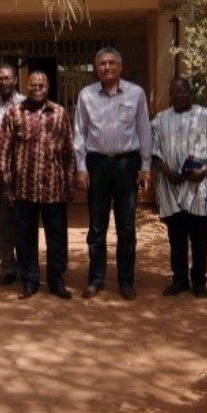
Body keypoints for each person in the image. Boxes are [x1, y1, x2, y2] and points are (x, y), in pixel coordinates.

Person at [74, 47, 152, 300]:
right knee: (97, 226)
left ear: (120, 66)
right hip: (96, 164)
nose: (107, 67)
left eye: (111, 63)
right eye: (102, 64)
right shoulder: (86, 95)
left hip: (126, 164)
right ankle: (96, 279)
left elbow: (144, 130)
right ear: (96, 68)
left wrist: (145, 167)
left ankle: (126, 281)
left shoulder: (136, 94)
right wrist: (81, 168)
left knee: (126, 226)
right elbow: (80, 133)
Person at [0, 71, 75, 300]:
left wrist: (69, 181)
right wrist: (6, 184)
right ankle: (29, 281)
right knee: (25, 239)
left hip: (54, 189)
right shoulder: (14, 113)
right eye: (33, 84)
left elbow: (69, 149)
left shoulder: (60, 113)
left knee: (57, 239)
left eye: (42, 84)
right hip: (23, 189)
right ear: (26, 86)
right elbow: (3, 151)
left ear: (48, 87)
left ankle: (57, 281)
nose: (37, 88)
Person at [150, 77, 207, 299]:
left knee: (199, 240)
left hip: (200, 188)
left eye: (183, 91)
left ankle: (199, 282)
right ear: (170, 96)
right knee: (176, 239)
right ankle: (179, 280)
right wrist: (168, 173)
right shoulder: (159, 121)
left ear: (190, 92)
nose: (179, 96)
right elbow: (153, 152)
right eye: (175, 92)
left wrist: (204, 169)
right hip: (172, 188)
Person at [0, 62, 26, 285]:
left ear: (15, 79)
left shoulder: (27, 105)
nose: (3, 82)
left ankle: (26, 264)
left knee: (24, 220)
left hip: (23, 172)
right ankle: (8, 267)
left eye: (7, 78)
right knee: (3, 222)